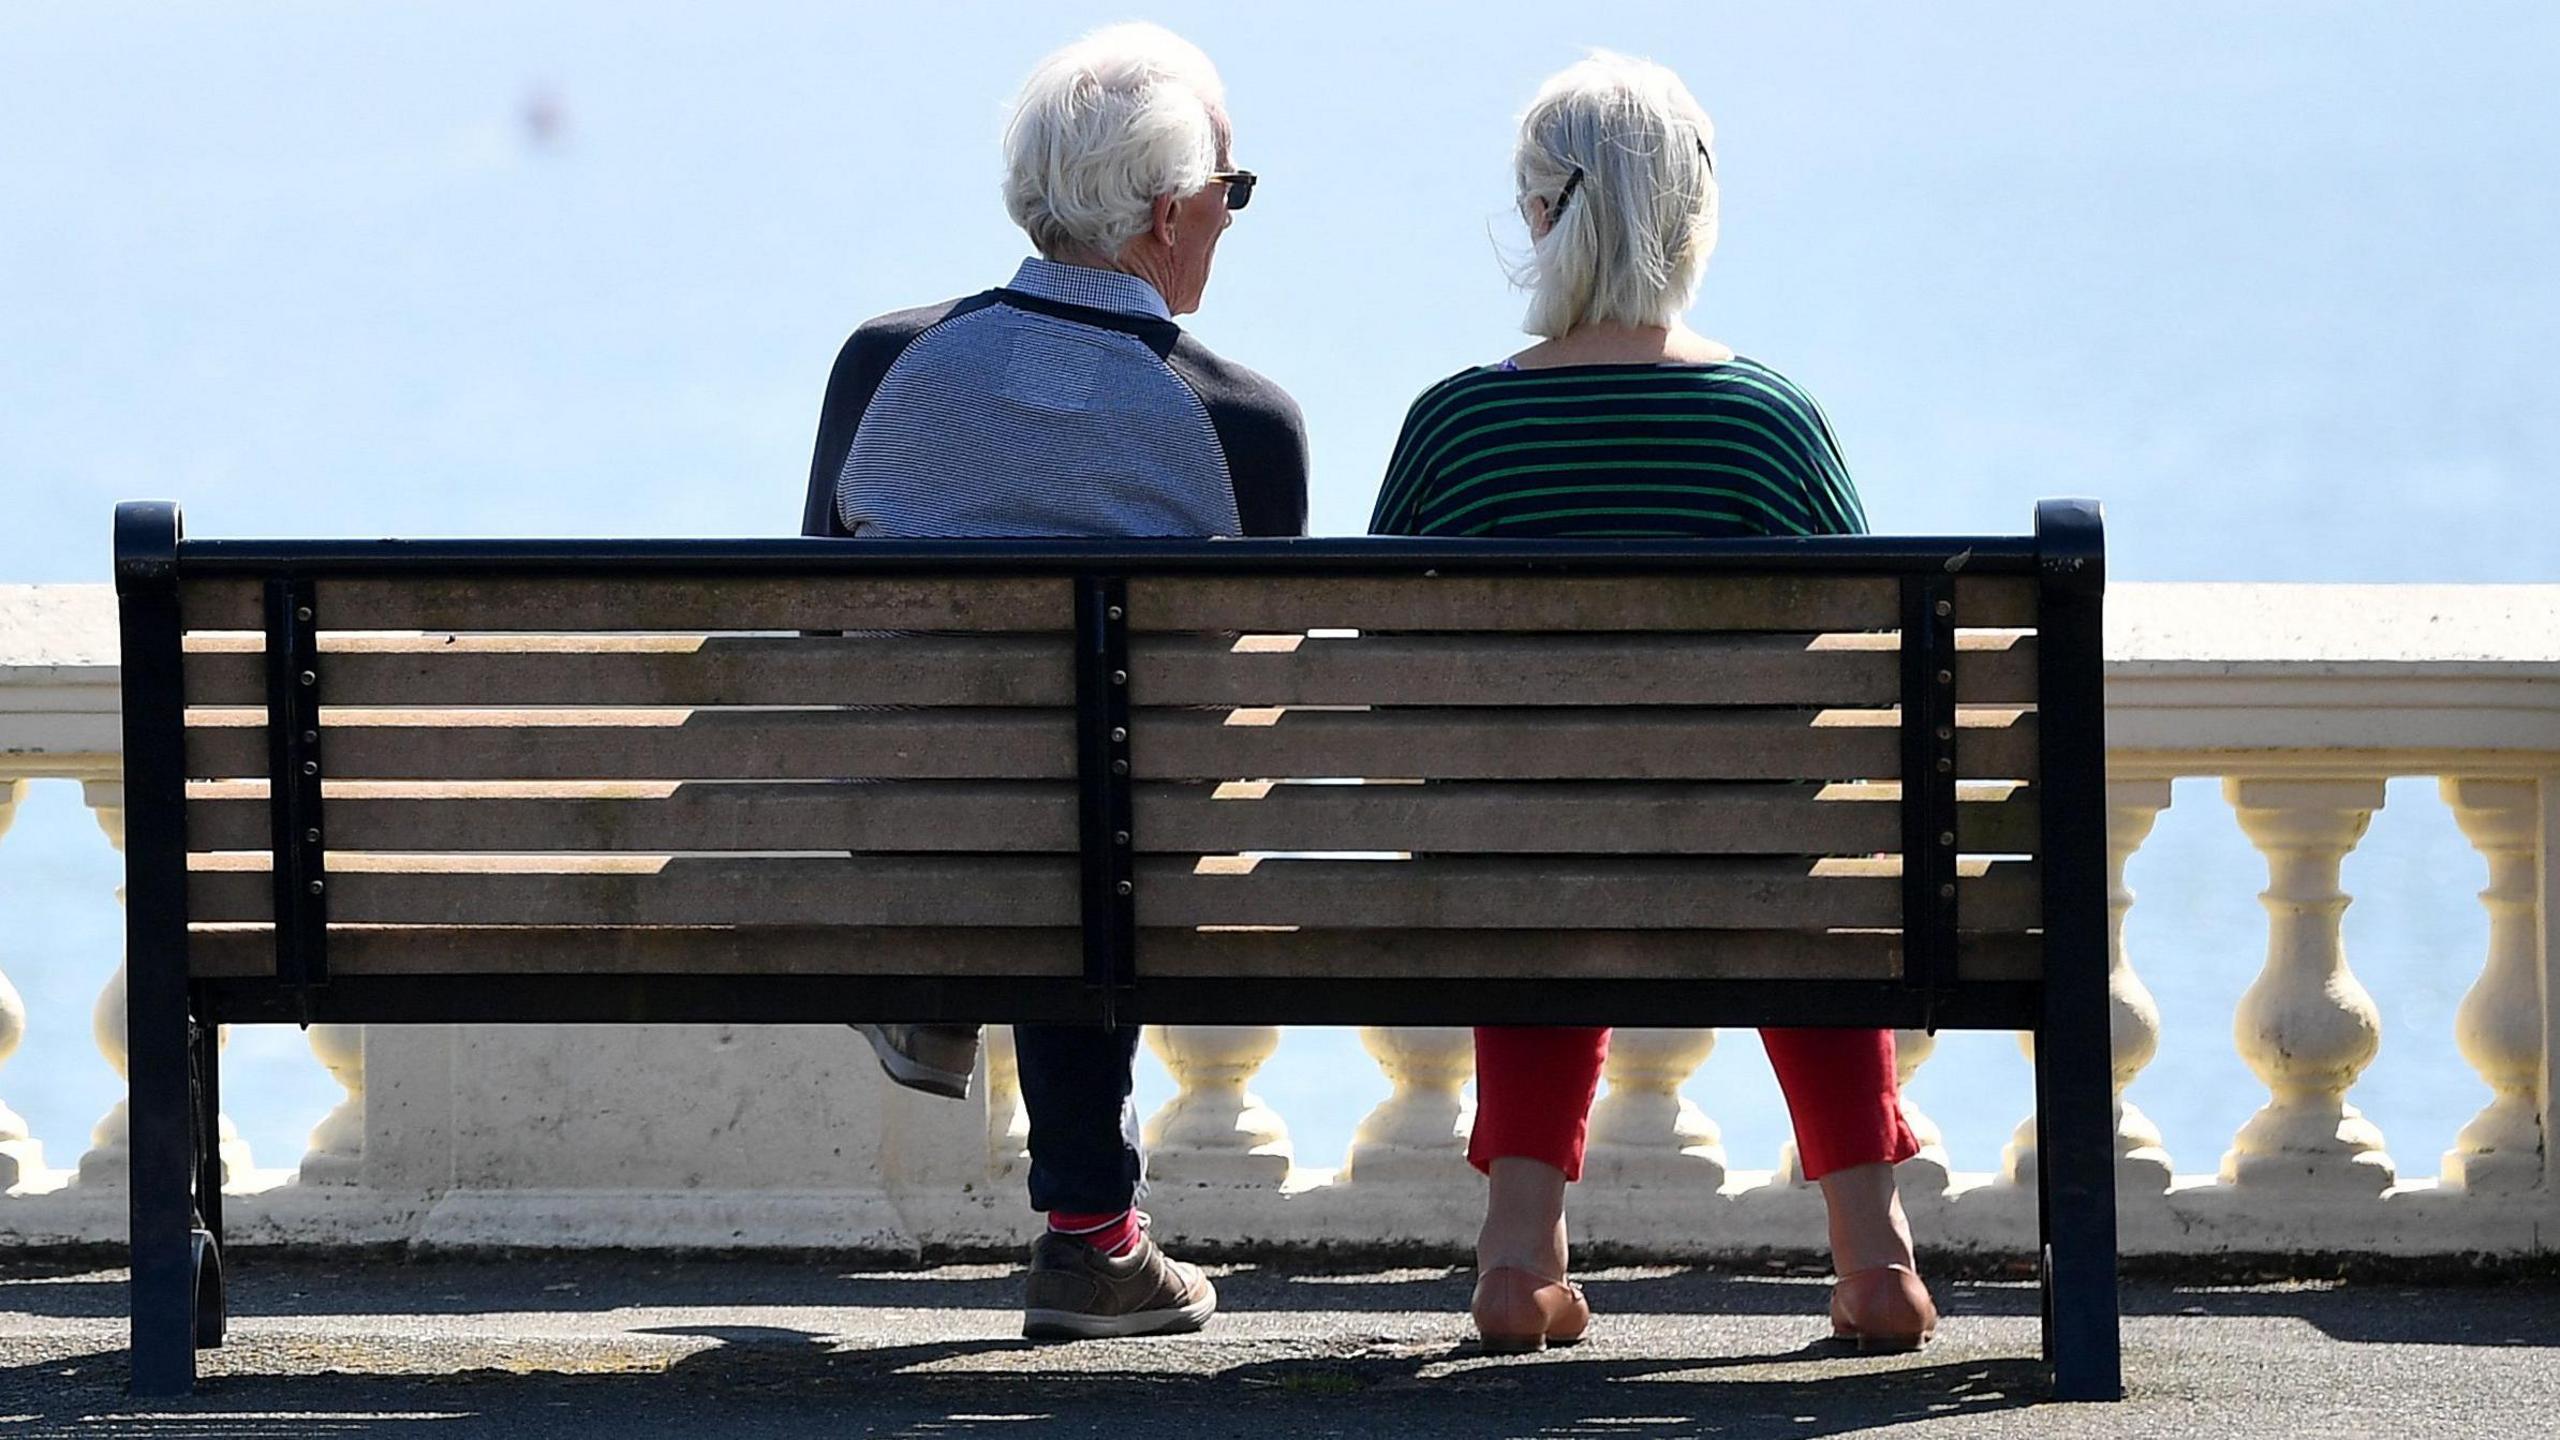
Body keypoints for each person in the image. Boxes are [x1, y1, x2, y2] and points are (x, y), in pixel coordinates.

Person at [1367, 51, 1937, 1354]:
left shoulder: (1457, 428)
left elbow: (1387, 673)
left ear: (1536, 218)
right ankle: (1874, 1257)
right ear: (1692, 216)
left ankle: (1517, 1258)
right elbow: (1859, 658)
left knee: (1536, 854)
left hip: (1515, 879)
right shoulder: (1767, 424)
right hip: (1748, 869)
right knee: (1799, 885)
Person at [800, 23, 1307, 1341]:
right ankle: (1093, 1233)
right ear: (1165, 213)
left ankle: (941, 988)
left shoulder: (879, 368)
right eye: (1229, 196)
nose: (1230, 223)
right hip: (1130, 864)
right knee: (1109, 789)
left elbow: (812, 639)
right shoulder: (1244, 424)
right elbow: (1251, 707)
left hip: (910, 840)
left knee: (1040, 780)